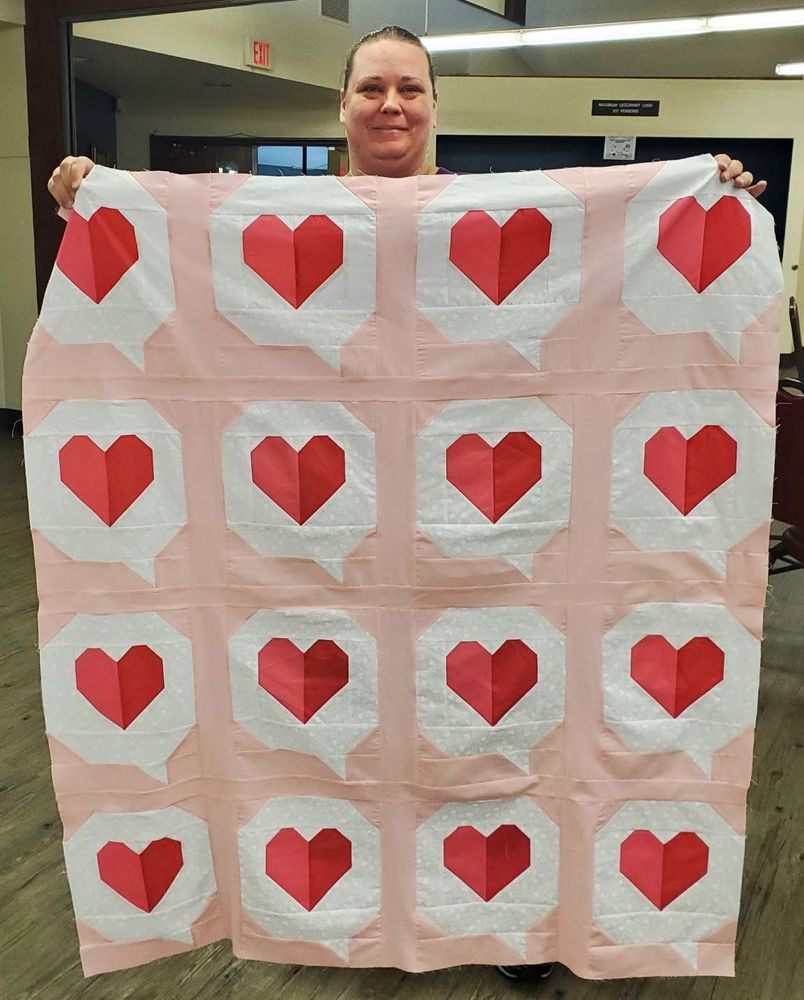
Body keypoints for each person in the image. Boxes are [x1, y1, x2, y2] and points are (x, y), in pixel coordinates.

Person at [45, 23, 766, 989]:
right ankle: (329, 907)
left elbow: (603, 284)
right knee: (333, 720)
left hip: (488, 539)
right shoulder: (276, 220)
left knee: (493, 731)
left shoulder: (497, 218)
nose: (392, 106)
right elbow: (188, 284)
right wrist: (99, 198)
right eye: (373, 88)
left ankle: (506, 919)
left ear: (435, 105)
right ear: (340, 105)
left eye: (411, 89)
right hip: (317, 535)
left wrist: (707, 192)